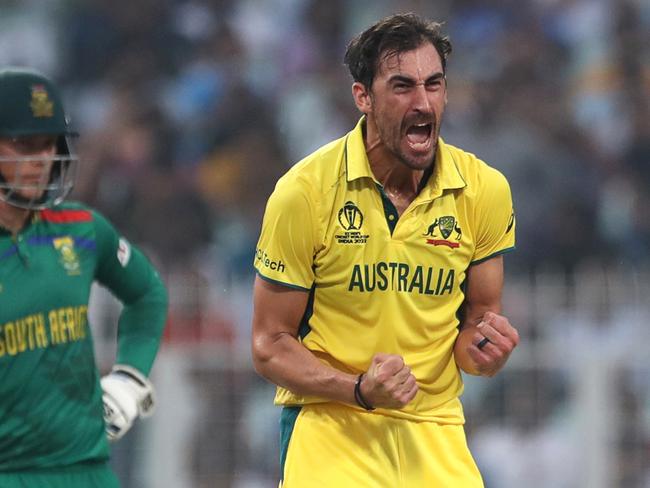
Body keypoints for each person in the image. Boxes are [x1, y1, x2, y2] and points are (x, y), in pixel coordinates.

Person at [251, 13, 519, 487]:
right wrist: (358, 390)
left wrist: (485, 350)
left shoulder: (484, 190)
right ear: (363, 97)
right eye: (402, 86)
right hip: (331, 429)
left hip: (435, 431)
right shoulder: (305, 193)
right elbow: (269, 345)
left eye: (433, 84)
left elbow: (477, 323)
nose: (423, 102)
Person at [0, 67, 168, 487]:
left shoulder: (81, 227)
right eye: (25, 145)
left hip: (89, 471)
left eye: (50, 144)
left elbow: (147, 294)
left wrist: (130, 377)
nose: (42, 160)